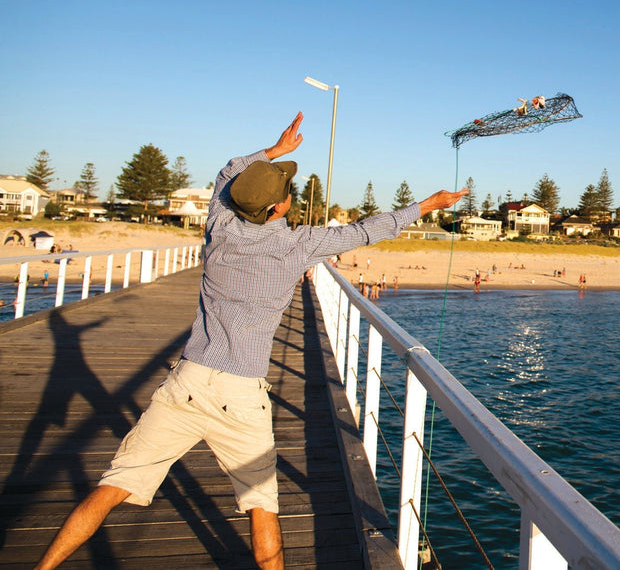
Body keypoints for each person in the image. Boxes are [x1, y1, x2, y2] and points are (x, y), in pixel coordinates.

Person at [34, 112, 467, 570]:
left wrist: (274, 152)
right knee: (262, 506)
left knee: (114, 485)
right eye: (284, 191)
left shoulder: (219, 226)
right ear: (279, 208)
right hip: (241, 394)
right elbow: (366, 231)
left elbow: (226, 174)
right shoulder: (297, 245)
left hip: (188, 380)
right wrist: (428, 204)